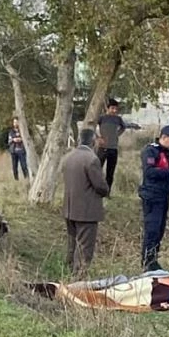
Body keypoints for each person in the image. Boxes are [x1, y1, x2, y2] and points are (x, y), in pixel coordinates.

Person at [62, 128, 110, 277]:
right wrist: (106, 190)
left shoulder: (68, 157)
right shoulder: (91, 159)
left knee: (72, 245)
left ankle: (67, 274)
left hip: (69, 208)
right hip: (86, 210)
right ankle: (79, 279)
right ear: (93, 141)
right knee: (84, 247)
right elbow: (100, 186)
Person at [139, 125, 169, 271]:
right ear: (164, 137)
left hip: (164, 195)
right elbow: (149, 172)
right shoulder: (151, 151)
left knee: (160, 230)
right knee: (152, 229)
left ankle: (153, 258)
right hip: (152, 195)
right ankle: (147, 261)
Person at [96, 99, 126, 193]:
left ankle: (107, 192)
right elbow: (92, 126)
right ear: (107, 108)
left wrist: (117, 134)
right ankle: (96, 189)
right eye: (112, 108)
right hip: (102, 148)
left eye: (116, 109)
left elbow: (123, 127)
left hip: (113, 148)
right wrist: (98, 137)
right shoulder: (102, 118)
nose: (114, 111)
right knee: (97, 169)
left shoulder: (118, 119)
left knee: (110, 172)